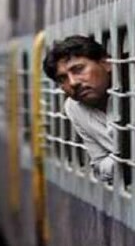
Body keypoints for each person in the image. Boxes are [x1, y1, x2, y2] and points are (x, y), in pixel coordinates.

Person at [43, 35, 116, 181]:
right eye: (62, 79)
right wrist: (124, 161)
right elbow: (99, 165)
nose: (73, 82)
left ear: (106, 63)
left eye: (78, 69)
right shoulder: (74, 108)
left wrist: (116, 159)